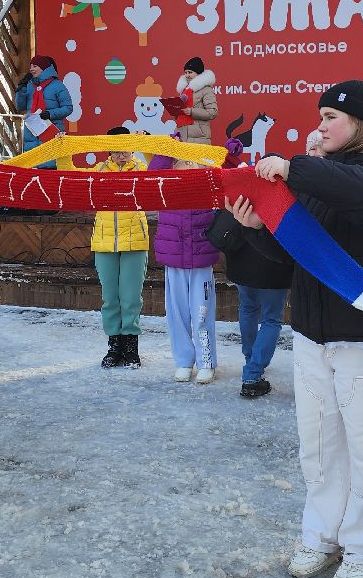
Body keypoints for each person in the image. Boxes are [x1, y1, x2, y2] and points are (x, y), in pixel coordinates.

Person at [227, 80, 363, 578]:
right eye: (320, 115)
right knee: (321, 447)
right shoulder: (317, 180)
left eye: (332, 116)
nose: (321, 125)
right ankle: (321, 534)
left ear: (362, 124)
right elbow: (293, 259)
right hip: (311, 335)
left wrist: (294, 167)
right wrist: (257, 230)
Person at [207, 139, 292, 398]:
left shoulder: (244, 190)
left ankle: (250, 359)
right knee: (271, 319)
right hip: (274, 271)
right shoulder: (287, 195)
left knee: (248, 311)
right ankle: (253, 373)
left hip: (243, 267)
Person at [152, 155, 221, 383]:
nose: (189, 164)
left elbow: (229, 176)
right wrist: (164, 152)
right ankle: (183, 361)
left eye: (192, 160)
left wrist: (230, 154)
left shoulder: (207, 186)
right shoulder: (166, 188)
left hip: (201, 262)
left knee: (202, 313)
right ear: (173, 165)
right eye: (182, 160)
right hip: (174, 261)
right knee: (177, 315)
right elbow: (152, 176)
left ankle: (206, 362)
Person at [91, 127, 150, 369]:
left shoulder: (142, 169)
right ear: (110, 150)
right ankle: (114, 345)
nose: (121, 155)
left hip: (135, 241)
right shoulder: (100, 170)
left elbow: (162, 170)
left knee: (131, 298)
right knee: (110, 299)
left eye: (125, 148)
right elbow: (69, 173)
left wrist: (147, 143)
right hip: (104, 243)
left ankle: (131, 347)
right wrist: (64, 151)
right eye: (116, 150)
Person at [13, 56, 73, 153]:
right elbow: (20, 106)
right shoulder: (29, 85)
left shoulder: (57, 85)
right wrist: (21, 89)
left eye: (35, 66)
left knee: (50, 164)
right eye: (30, 66)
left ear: (44, 68)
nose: (31, 69)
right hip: (32, 132)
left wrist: (50, 114)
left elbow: (68, 108)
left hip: (51, 130)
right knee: (33, 162)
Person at [171, 58, 219, 145]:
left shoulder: (206, 90)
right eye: (185, 72)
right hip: (181, 136)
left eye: (190, 72)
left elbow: (213, 112)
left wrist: (192, 111)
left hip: (199, 138)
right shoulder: (184, 90)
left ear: (198, 73)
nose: (187, 75)